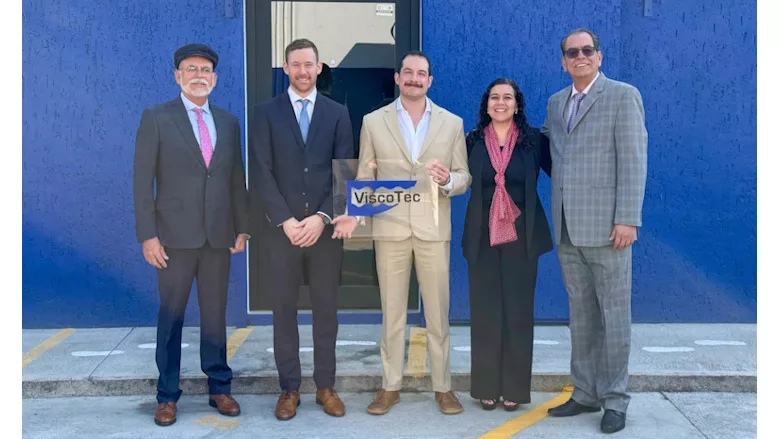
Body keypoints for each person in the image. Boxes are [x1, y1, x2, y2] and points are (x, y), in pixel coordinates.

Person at [332, 51, 472, 416]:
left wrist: (448, 181)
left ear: (430, 80)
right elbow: (365, 176)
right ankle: (389, 386)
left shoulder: (452, 123)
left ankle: (443, 388)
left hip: (432, 230)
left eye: (421, 73)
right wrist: (353, 215)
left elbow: (464, 176)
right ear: (397, 78)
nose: (414, 78)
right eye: (407, 73)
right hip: (390, 230)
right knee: (391, 313)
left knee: (438, 314)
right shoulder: (373, 122)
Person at [133, 43, 249, 427]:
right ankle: (167, 396)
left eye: (206, 70)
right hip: (173, 239)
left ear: (214, 78)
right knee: (171, 317)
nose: (199, 75)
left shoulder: (229, 122)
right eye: (191, 68)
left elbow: (235, 180)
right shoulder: (156, 118)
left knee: (215, 315)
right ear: (177, 75)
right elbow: (141, 181)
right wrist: (148, 235)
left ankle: (219, 387)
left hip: (218, 237)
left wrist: (242, 227)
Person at [541, 28, 648, 434]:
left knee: (615, 318)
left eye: (588, 50)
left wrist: (628, 218)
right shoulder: (556, 103)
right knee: (581, 316)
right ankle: (585, 393)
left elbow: (634, 160)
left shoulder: (623, 96)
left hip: (609, 228)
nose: (580, 56)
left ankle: (615, 400)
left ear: (599, 57)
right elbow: (554, 153)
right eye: (573, 52)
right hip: (567, 228)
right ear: (564, 61)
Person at [248, 38, 354, 421]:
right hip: (283, 232)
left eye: (309, 65)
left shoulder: (338, 113)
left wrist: (323, 217)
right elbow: (261, 171)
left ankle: (326, 386)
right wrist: (287, 221)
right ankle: (289, 388)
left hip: (323, 232)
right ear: (286, 67)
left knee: (327, 311)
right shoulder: (266, 113)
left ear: (319, 66)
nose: (304, 71)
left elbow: (344, 172)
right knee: (284, 311)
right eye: (296, 65)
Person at [462, 78, 553, 411]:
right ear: (486, 104)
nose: (500, 103)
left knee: (517, 312)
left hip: (522, 237)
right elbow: (458, 177)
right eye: (494, 97)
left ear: (517, 104)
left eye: (508, 98)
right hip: (481, 236)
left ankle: (514, 388)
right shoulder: (471, 141)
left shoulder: (534, 141)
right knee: (485, 312)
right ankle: (486, 386)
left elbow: (563, 172)